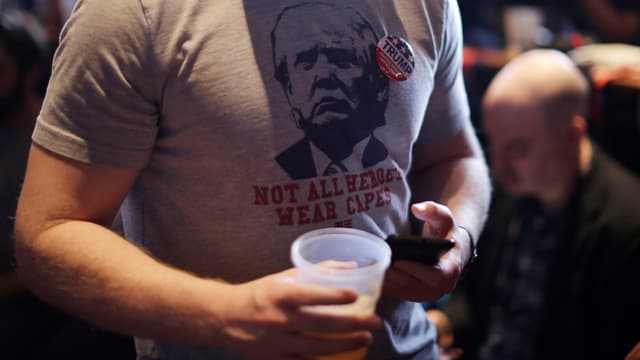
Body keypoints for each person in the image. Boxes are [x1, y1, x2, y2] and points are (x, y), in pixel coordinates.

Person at [13, 1, 491, 359]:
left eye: (341, 61)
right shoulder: (134, 12)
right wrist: (228, 313)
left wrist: (458, 240)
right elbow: (48, 233)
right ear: (285, 78)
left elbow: (456, 155)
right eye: (306, 63)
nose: (325, 76)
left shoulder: (426, 5)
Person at [437, 49, 640, 360]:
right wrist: (444, 323)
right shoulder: (508, 187)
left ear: (573, 134)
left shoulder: (627, 227)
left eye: (518, 149)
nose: (498, 166)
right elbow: (478, 302)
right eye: (494, 145)